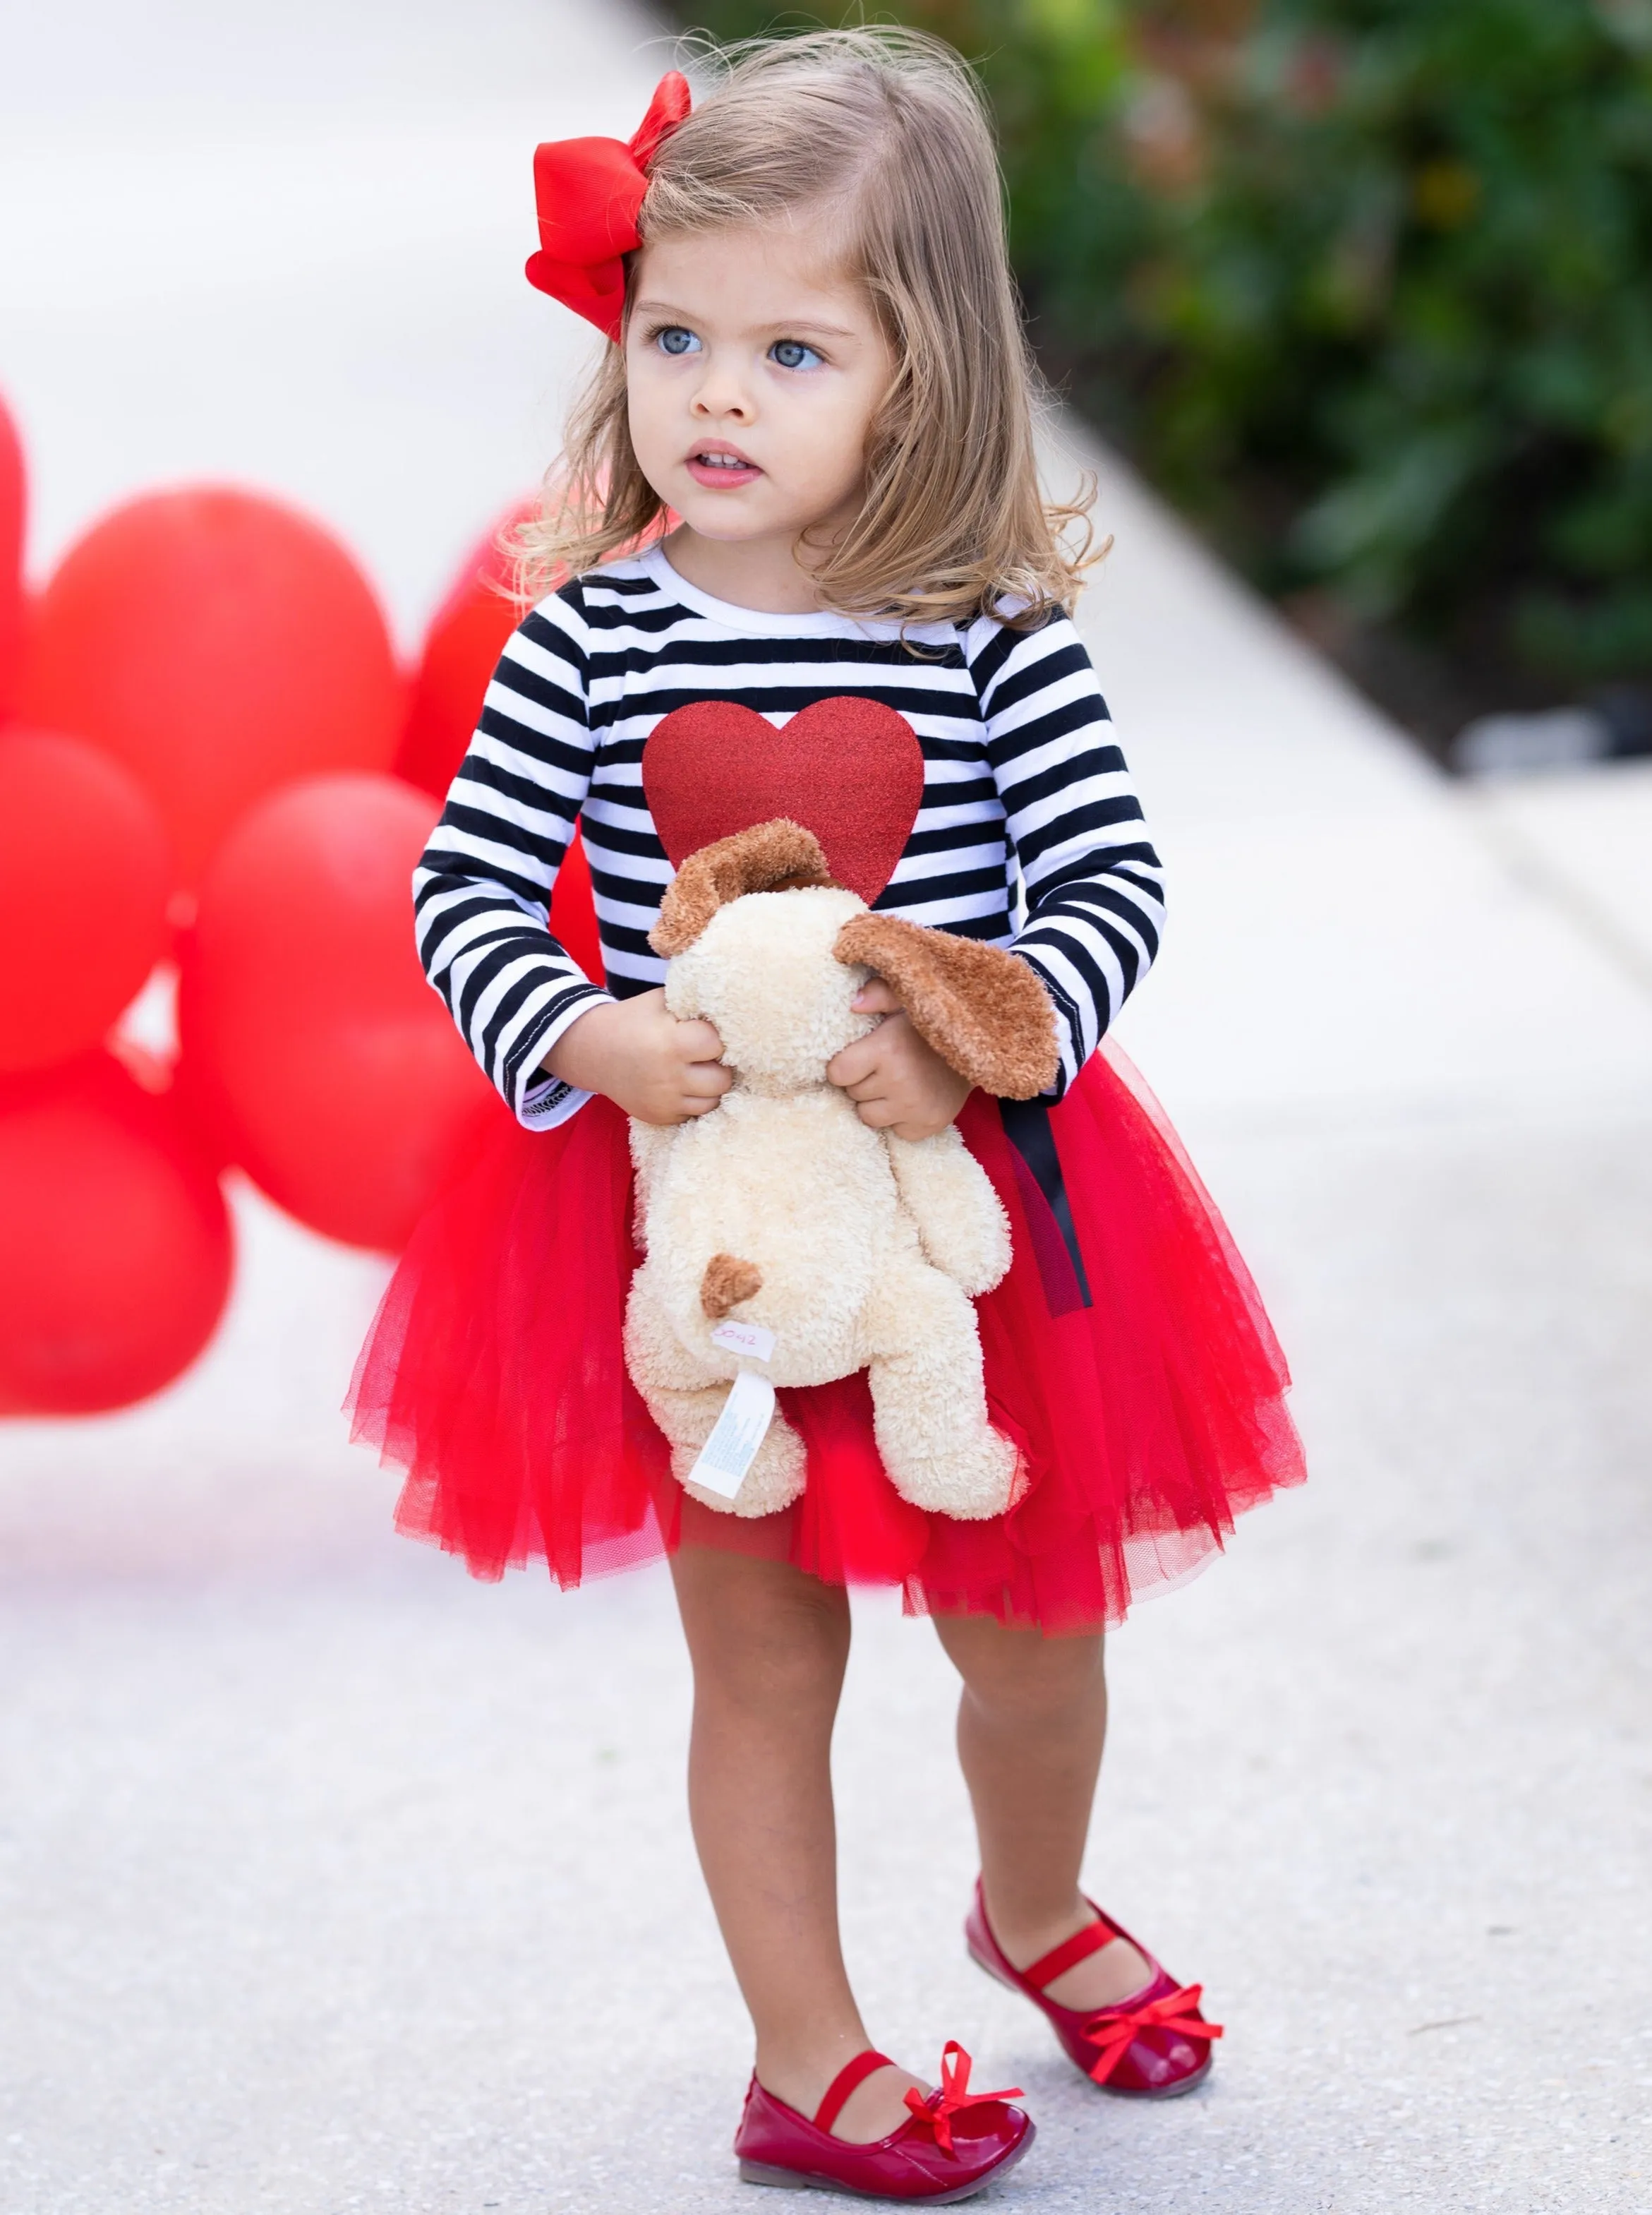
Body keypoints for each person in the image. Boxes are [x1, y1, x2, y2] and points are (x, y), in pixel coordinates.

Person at [350, 28, 1305, 2203]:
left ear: (924, 372)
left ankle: (1034, 1902)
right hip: (714, 1229)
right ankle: (810, 2055)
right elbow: (466, 887)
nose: (714, 394)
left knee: (1032, 1632)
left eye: (792, 349)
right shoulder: (588, 636)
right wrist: (583, 1040)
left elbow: (1109, 885)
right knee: (757, 1652)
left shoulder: (982, 639)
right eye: (674, 334)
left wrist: (988, 1025)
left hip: (972, 1201)